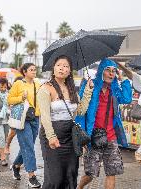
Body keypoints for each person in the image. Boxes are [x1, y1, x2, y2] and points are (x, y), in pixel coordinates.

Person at [37, 55, 93, 189]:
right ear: (54, 68)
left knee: (71, 174)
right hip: (52, 135)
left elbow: (80, 111)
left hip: (70, 136)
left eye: (66, 66)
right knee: (55, 177)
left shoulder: (72, 89)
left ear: (70, 71)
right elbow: (44, 117)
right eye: (59, 65)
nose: (62, 68)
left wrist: (88, 90)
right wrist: (51, 136)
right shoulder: (45, 88)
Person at [78, 58, 132, 189]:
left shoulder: (114, 90)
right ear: (101, 71)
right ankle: (79, 187)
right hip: (93, 137)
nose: (111, 74)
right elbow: (81, 111)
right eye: (108, 70)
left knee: (112, 172)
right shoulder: (91, 86)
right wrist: (83, 137)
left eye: (114, 71)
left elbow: (127, 98)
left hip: (111, 137)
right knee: (91, 173)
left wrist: (123, 79)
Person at [7, 63, 41, 188]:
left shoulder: (38, 84)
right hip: (23, 119)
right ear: (25, 72)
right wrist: (21, 97)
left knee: (28, 146)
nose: (34, 71)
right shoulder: (18, 84)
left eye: (35, 69)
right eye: (31, 69)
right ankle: (31, 176)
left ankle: (16, 166)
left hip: (36, 118)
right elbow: (9, 100)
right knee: (28, 147)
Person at [4, 76, 23, 154]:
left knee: (23, 135)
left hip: (25, 114)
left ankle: (22, 153)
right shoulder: (13, 91)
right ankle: (7, 146)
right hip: (16, 113)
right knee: (13, 133)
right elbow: (9, 102)